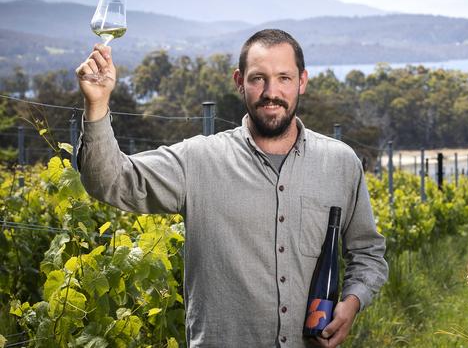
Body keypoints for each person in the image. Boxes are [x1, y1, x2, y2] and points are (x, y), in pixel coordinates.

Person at [75, 29, 388, 347]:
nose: (271, 92)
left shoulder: (340, 163)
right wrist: (97, 104)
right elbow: (111, 181)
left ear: (302, 81)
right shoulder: (198, 160)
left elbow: (368, 254)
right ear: (239, 81)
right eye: (258, 79)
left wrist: (352, 303)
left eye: (284, 78)